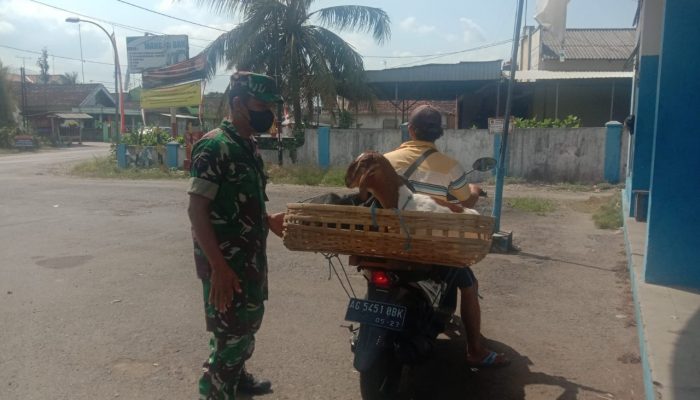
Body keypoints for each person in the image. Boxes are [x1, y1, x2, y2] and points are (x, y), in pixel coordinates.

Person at [383, 104, 510, 368]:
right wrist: (474, 189)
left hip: (388, 243)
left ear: (410, 129)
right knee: (469, 286)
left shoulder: (386, 161)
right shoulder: (450, 167)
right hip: (434, 246)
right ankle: (474, 350)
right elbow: (467, 202)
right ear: (439, 133)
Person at [187, 71, 286, 399]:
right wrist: (219, 268)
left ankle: (236, 379)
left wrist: (268, 219)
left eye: (271, 106)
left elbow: (240, 201)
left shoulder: (248, 146)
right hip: (226, 264)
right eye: (262, 104)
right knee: (230, 335)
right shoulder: (214, 146)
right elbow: (197, 211)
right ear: (237, 103)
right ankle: (216, 391)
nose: (268, 112)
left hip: (250, 260)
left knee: (246, 326)